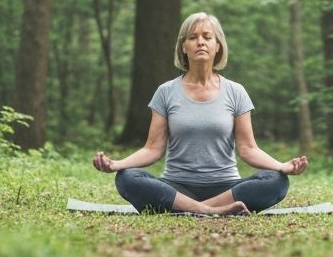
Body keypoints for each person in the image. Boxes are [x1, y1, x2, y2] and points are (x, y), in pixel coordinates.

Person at [93, 12, 308, 215]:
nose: (201, 42)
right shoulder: (166, 92)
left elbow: (248, 149)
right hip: (177, 186)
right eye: (193, 37)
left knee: (276, 181)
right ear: (183, 48)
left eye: (207, 37)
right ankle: (207, 211)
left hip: (226, 189)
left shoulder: (236, 92)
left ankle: (192, 209)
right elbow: (152, 149)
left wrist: (282, 166)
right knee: (127, 177)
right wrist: (117, 164)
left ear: (218, 47)